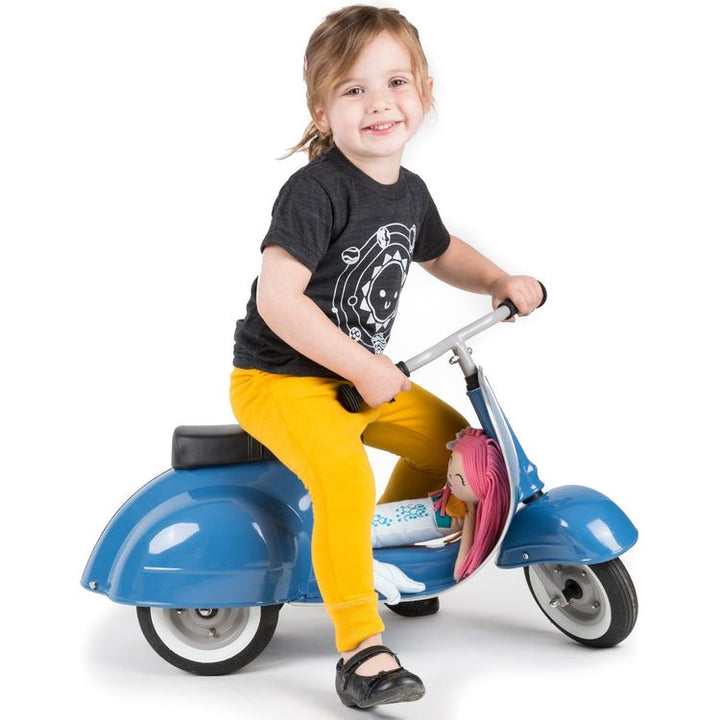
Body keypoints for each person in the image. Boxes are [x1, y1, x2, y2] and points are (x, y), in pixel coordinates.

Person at [229, 4, 543, 708]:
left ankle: (384, 561)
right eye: (354, 89)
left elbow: (441, 251)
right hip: (281, 380)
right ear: (321, 112)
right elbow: (279, 301)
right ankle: (361, 648)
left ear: (425, 93)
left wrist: (497, 280)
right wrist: (365, 367)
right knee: (344, 480)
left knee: (456, 450)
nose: (379, 103)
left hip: (360, 379)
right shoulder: (315, 190)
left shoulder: (409, 191)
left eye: (396, 82)